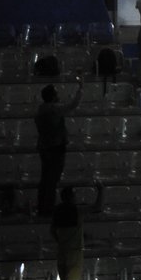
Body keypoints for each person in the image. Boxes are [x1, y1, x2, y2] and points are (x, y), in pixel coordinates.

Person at [34, 76, 84, 217]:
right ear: (52, 96)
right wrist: (80, 88)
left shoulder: (40, 110)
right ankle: (47, 209)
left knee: (45, 180)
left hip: (44, 148)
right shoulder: (54, 109)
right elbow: (73, 105)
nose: (58, 96)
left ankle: (41, 206)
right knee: (52, 181)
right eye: (56, 93)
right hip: (56, 148)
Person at [49, 186, 85, 280]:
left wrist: (60, 241)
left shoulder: (57, 211)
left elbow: (51, 230)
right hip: (75, 252)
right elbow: (97, 207)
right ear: (72, 197)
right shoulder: (78, 210)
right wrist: (101, 190)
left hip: (62, 250)